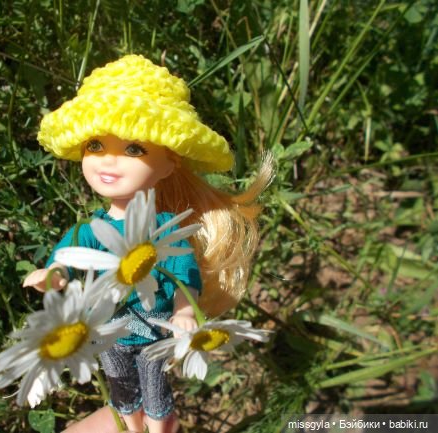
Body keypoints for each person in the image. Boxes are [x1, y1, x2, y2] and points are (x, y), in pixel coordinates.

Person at [24, 54, 273, 433]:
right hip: (106, 330)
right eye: (95, 145)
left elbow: (181, 270)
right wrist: (55, 274)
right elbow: (69, 255)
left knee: (155, 391)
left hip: (154, 329)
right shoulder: (92, 229)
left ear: (170, 165)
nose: (108, 162)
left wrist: (184, 310)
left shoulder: (163, 230)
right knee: (122, 390)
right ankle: (131, 424)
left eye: (134, 149)